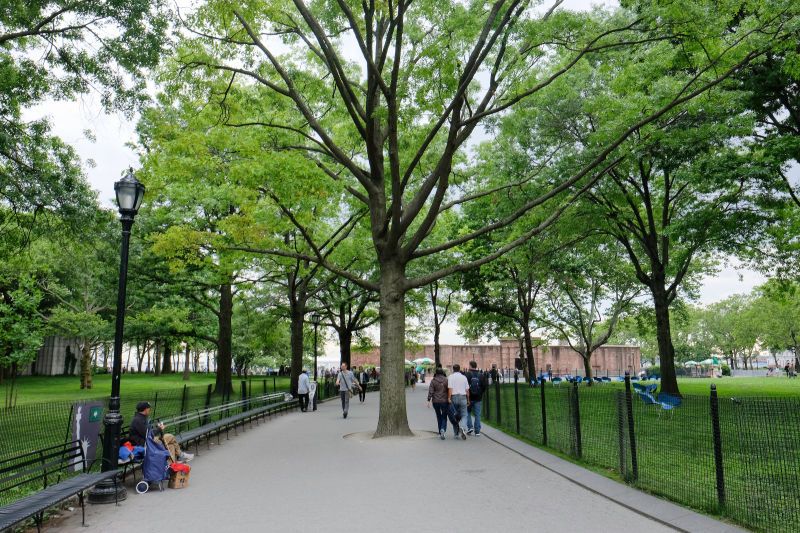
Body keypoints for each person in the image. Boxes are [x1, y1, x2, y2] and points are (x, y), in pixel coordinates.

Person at [427, 367, 456, 440]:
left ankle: (440, 432)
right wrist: (450, 398)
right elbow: (449, 390)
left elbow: (431, 391)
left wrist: (428, 400)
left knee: (438, 416)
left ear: (436, 373)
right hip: (444, 401)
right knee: (444, 416)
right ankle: (443, 429)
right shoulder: (446, 380)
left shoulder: (433, 381)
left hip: (435, 401)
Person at [447, 364, 469, 440]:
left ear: (453, 369)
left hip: (454, 397)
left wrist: (449, 398)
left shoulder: (450, 377)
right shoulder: (464, 377)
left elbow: (450, 388)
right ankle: (462, 427)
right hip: (463, 397)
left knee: (455, 416)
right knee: (464, 415)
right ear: (459, 369)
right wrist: (468, 399)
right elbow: (467, 390)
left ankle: (456, 433)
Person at [465, 361, 484, 437]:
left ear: (470, 366)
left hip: (469, 397)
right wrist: (480, 393)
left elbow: (465, 386)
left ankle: (470, 427)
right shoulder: (481, 375)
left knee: (467, 413)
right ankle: (477, 431)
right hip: (478, 398)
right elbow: (484, 386)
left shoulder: (467, 374)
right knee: (477, 414)